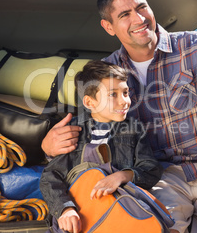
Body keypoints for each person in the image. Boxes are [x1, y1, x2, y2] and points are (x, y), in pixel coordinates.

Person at [42, 0, 197, 232]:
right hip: (155, 180)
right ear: (108, 26)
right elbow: (89, 134)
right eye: (125, 14)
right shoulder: (105, 75)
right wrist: (48, 148)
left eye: (142, 7)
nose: (139, 18)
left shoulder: (193, 45)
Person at [40, 60, 163, 233]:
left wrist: (122, 176)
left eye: (125, 92)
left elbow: (151, 169)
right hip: (80, 208)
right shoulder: (73, 132)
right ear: (90, 103)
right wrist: (65, 210)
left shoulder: (133, 129)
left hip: (119, 206)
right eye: (113, 95)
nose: (124, 101)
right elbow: (51, 178)